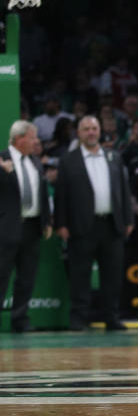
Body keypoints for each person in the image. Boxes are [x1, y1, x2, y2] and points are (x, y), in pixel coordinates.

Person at [54, 115, 134, 331]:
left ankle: (111, 316)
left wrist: (128, 218)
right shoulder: (68, 160)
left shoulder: (114, 157)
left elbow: (124, 191)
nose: (91, 132)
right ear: (79, 133)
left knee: (113, 275)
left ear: (99, 131)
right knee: (80, 275)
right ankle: (79, 318)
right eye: (86, 129)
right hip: (81, 226)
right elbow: (61, 196)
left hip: (112, 224)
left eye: (94, 128)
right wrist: (61, 224)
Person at [0, 122, 52, 333]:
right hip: (6, 227)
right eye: (32, 138)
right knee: (1, 275)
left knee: (27, 276)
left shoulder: (35, 162)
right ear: (19, 138)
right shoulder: (2, 158)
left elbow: (42, 193)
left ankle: (20, 319)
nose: (36, 142)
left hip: (32, 227)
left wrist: (46, 221)